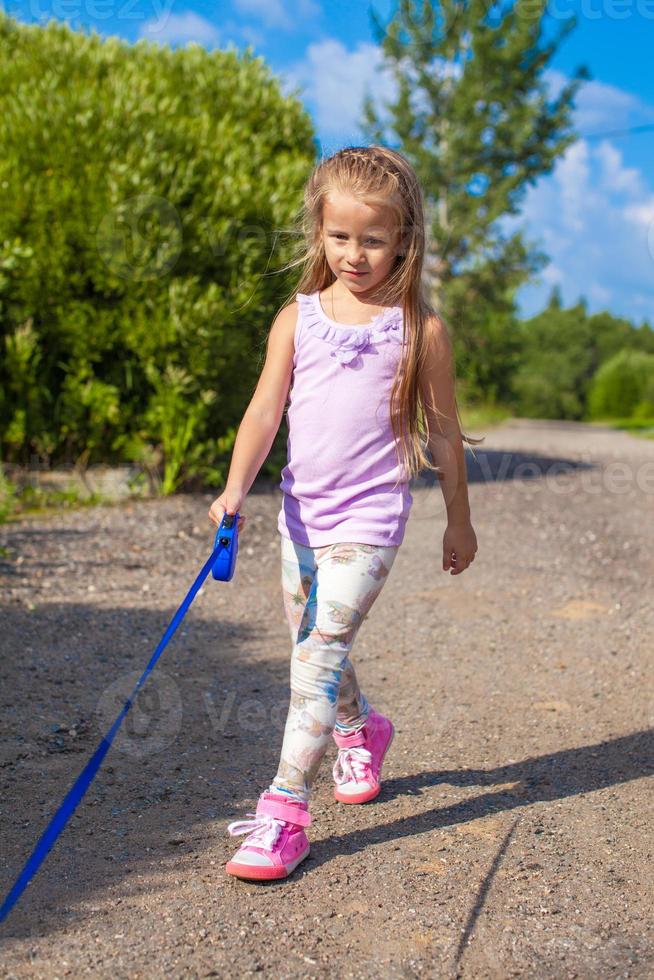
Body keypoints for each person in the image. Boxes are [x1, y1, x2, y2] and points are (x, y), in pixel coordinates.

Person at [208, 145, 482, 881]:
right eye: (339, 237)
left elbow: (445, 434)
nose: (354, 255)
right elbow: (265, 410)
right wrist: (237, 487)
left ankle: (283, 813)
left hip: (370, 520)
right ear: (317, 232)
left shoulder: (420, 329)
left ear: (403, 239)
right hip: (300, 515)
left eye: (372, 239)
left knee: (316, 656)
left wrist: (459, 519)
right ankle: (362, 728)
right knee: (315, 645)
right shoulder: (297, 319)